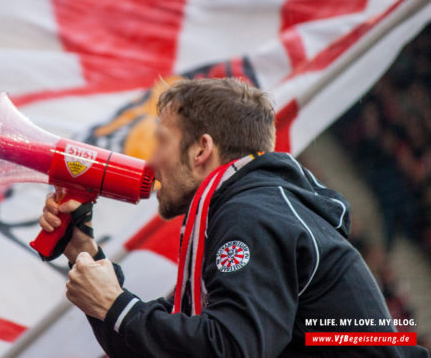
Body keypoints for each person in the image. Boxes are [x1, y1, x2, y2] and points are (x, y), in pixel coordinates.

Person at [39, 78, 429, 357]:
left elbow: (232, 347)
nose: (150, 160)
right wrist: (84, 252)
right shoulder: (253, 206)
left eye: (160, 141)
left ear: (201, 150)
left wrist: (117, 306)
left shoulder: (252, 213)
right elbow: (163, 343)